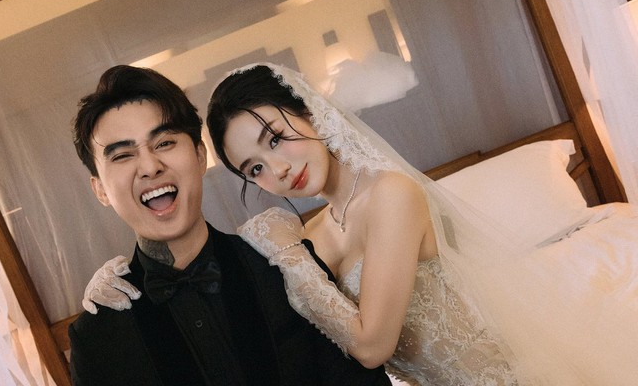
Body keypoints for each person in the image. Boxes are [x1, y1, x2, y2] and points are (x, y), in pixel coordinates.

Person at [85, 64, 638, 385]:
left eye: (276, 138)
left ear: (309, 111)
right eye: (255, 168)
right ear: (100, 189)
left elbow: (371, 347)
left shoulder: (392, 194)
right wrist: (111, 279)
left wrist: (288, 252)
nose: (278, 170)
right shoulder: (312, 237)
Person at [68, 64, 392, 386]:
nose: (150, 167)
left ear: (199, 156)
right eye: (122, 155)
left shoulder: (286, 267)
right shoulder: (97, 336)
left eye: (164, 143)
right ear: (100, 190)